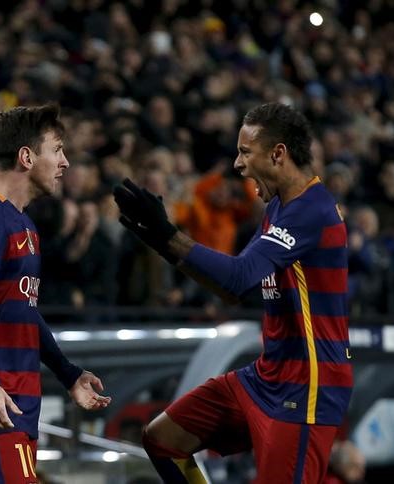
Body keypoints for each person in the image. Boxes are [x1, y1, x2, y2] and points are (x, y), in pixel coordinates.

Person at [113, 103, 352, 483]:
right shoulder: (278, 206)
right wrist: (165, 245)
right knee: (163, 440)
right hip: (267, 376)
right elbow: (232, 290)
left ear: (278, 154)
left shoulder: (313, 211)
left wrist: (168, 236)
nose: (237, 165)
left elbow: (238, 277)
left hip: (307, 386)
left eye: (245, 152)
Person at [0, 103, 111, 483]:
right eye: (58, 149)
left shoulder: (23, 224)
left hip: (15, 398)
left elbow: (23, 310)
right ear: (27, 157)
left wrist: (68, 374)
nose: (65, 162)